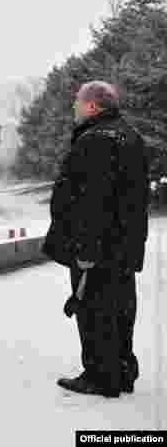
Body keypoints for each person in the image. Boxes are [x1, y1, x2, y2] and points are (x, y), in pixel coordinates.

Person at [43, 81, 149, 397]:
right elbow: (132, 197)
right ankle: (122, 369)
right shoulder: (130, 135)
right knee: (120, 306)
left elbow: (93, 199)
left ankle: (101, 376)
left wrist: (86, 248)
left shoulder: (95, 140)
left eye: (78, 102)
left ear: (92, 106)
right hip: (124, 243)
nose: (75, 107)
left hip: (97, 245)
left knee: (94, 308)